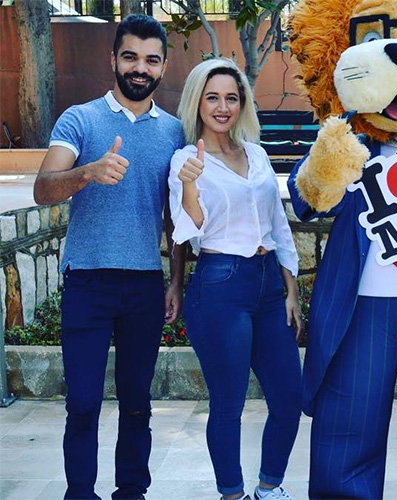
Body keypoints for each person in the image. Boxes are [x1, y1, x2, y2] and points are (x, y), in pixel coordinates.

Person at [32, 15, 185, 500]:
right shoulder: (79, 119)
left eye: (151, 60)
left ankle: (131, 492)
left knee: (137, 402)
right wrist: (88, 172)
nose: (141, 68)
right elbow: (42, 189)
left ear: (163, 66)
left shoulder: (175, 132)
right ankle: (80, 493)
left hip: (144, 284)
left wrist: (175, 280)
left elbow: (174, 217)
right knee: (82, 402)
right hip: (88, 281)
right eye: (131, 57)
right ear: (113, 59)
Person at [168, 58, 303, 500]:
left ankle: (269, 487)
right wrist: (190, 186)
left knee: (289, 396)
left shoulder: (256, 153)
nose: (222, 107)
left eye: (231, 97)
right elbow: (189, 230)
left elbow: (278, 224)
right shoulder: (186, 160)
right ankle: (232, 493)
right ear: (197, 103)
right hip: (220, 284)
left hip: (268, 284)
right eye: (212, 98)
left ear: (242, 103)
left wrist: (291, 289)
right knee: (229, 402)